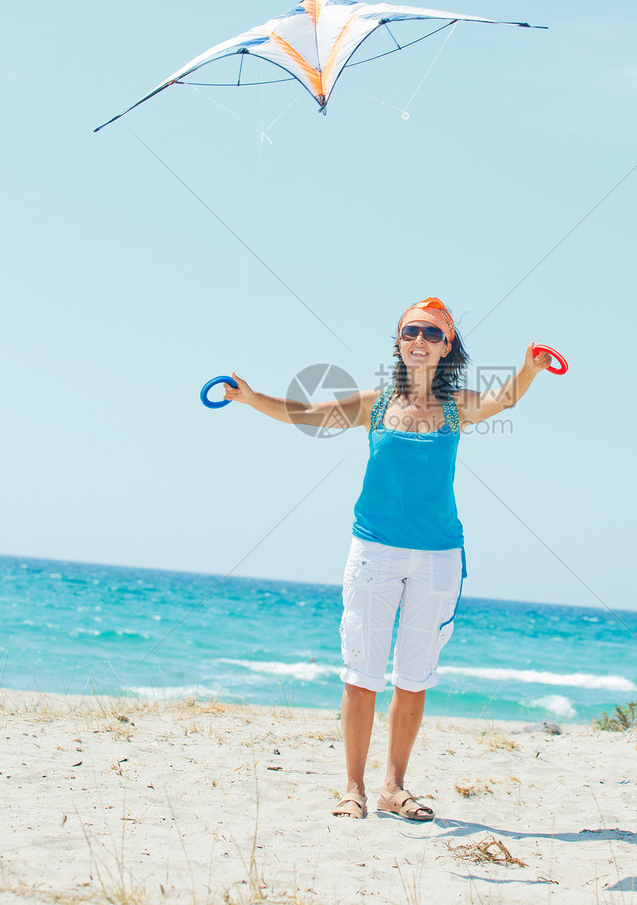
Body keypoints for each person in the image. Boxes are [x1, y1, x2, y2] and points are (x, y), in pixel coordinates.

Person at [223, 297, 554, 821]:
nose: (418, 340)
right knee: (361, 673)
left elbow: (506, 398)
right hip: (374, 548)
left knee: (414, 677)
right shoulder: (375, 405)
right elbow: (306, 414)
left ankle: (392, 788)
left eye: (431, 333)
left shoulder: (455, 408)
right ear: (399, 343)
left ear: (447, 347)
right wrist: (248, 397)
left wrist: (531, 366)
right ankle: (352, 788)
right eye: (410, 332)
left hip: (439, 555)